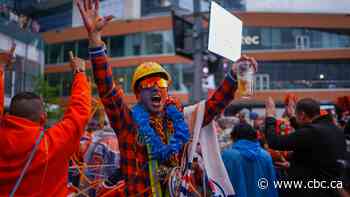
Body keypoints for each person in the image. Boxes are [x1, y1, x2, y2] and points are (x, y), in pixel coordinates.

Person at [75, 0, 257, 195]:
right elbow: (108, 91)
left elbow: (213, 106)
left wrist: (233, 76)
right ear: (138, 94)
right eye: (147, 85)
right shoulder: (128, 124)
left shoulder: (181, 119)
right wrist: (95, 39)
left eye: (161, 84)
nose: (156, 89)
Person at [0, 51, 91, 196]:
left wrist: (1, 68)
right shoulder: (51, 143)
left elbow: (79, 113)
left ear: (7, 115)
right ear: (43, 118)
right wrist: (79, 73)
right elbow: (79, 112)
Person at [265, 97, 346, 197]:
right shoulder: (335, 130)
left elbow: (274, 142)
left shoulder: (311, 132)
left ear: (302, 115)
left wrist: (270, 116)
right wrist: (293, 166)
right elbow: (317, 159)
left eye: (297, 115)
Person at [222, 123, 278, 197]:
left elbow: (218, 182)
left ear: (234, 137)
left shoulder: (228, 156)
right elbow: (272, 185)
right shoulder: (266, 156)